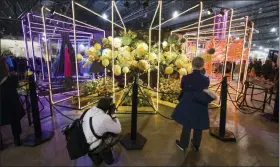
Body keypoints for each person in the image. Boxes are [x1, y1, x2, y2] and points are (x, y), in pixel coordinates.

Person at [172, 57, 216, 152]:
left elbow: (182, 87)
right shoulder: (206, 79)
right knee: (198, 124)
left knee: (187, 124)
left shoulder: (186, 78)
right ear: (202, 66)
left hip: (188, 102)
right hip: (200, 103)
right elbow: (204, 89)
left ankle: (183, 144)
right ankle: (196, 144)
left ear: (192, 65)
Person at [82, 97, 121, 165]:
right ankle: (109, 160)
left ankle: (96, 158)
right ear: (107, 108)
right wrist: (113, 114)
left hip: (83, 144)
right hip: (93, 146)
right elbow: (118, 130)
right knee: (115, 136)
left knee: (98, 131)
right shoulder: (104, 118)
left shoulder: (89, 110)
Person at [0, 55, 25, 147]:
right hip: (11, 103)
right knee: (15, 119)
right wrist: (14, 76)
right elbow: (16, 86)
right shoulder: (10, 78)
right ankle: (17, 140)